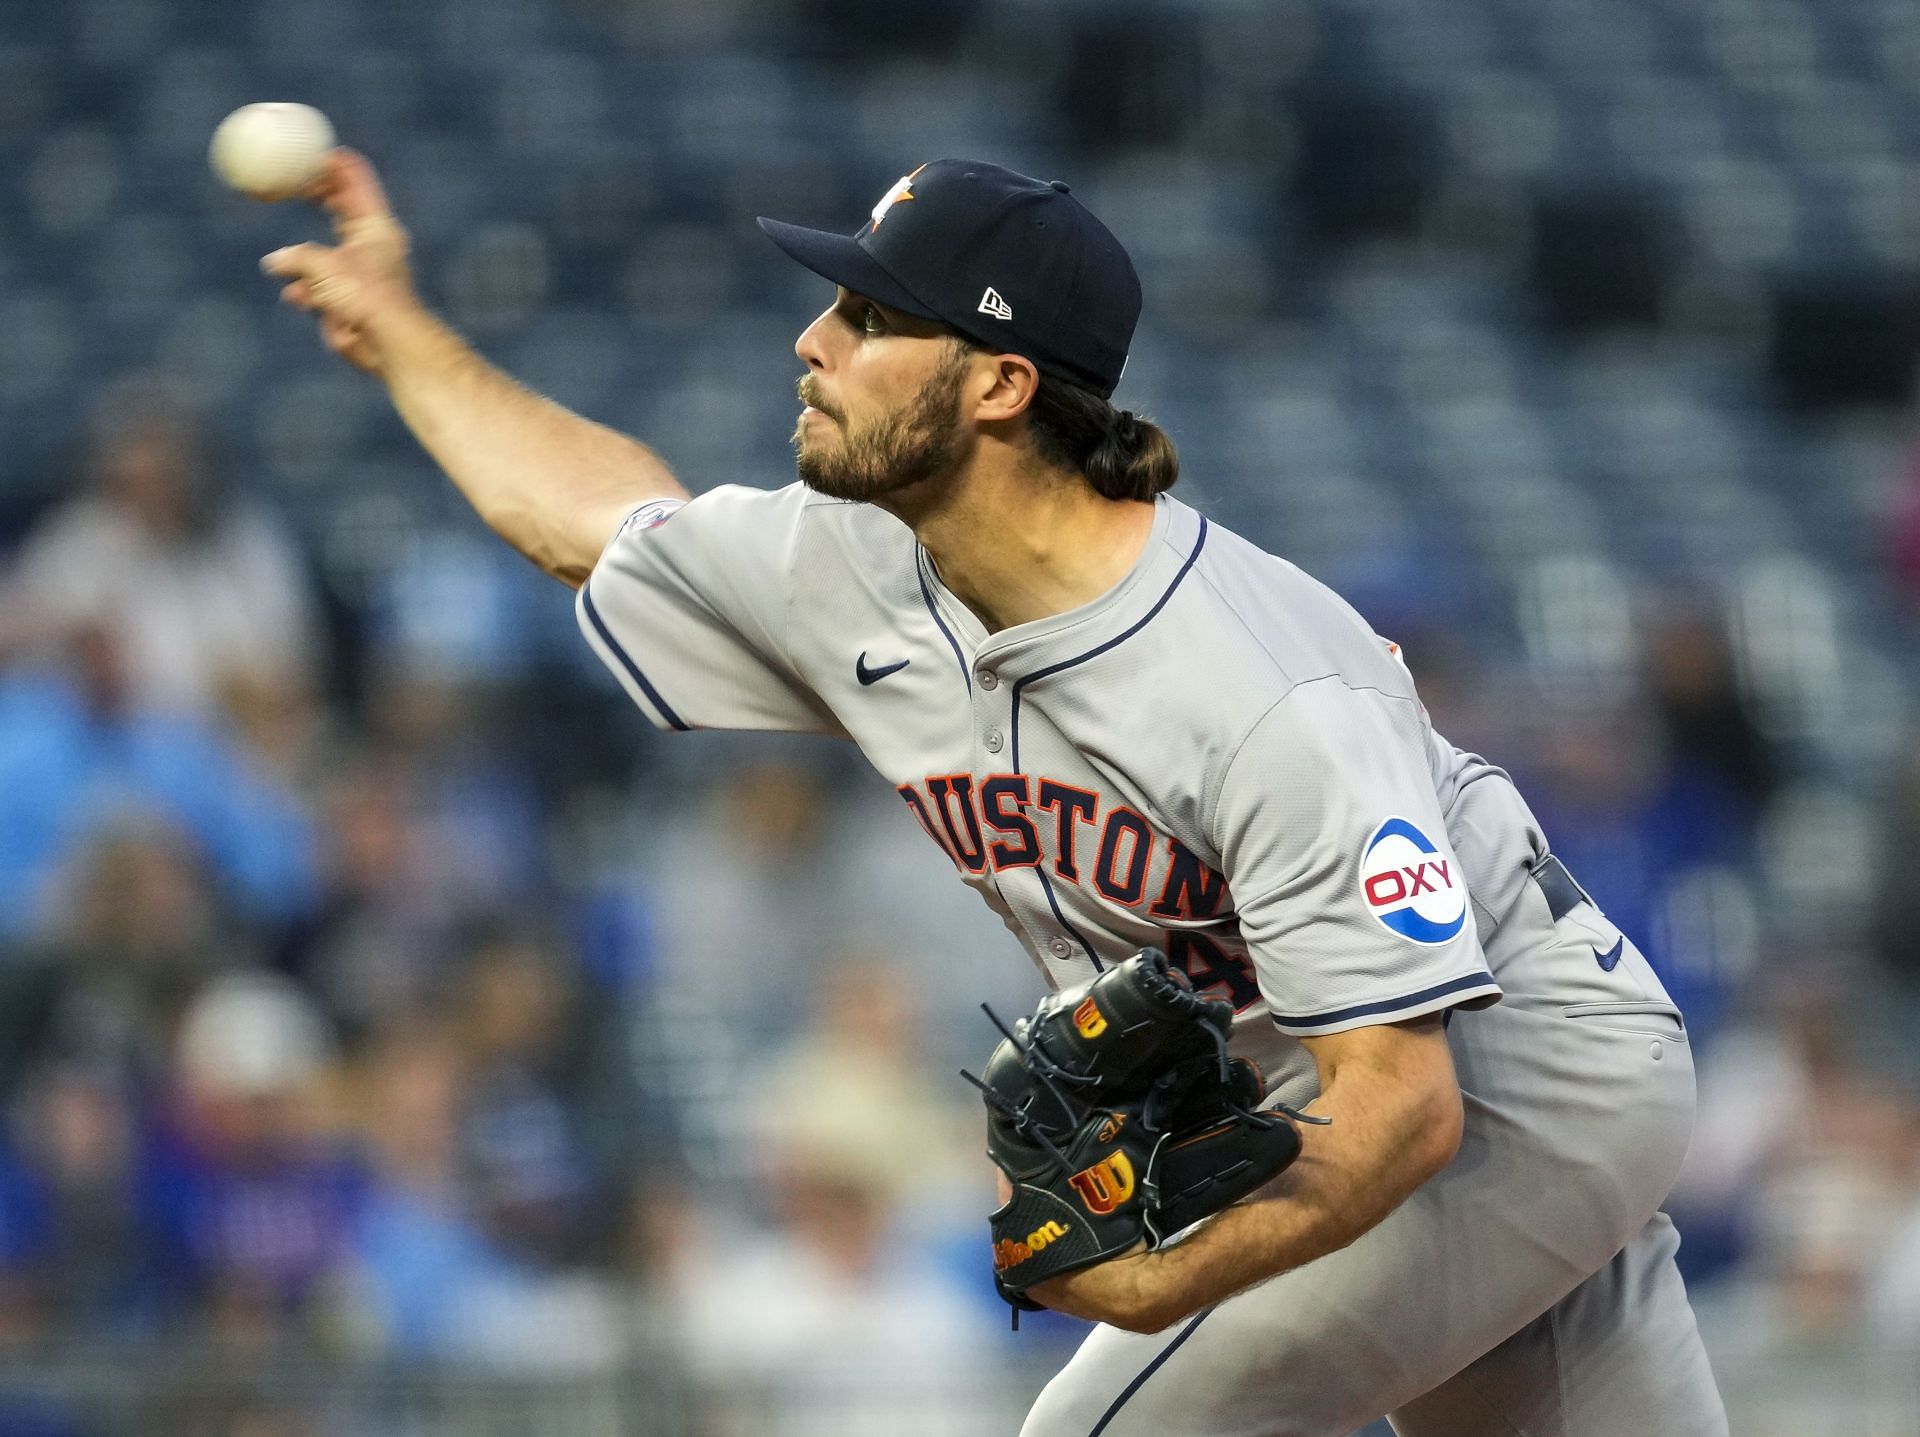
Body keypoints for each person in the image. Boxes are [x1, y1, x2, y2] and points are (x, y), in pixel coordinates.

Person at [259, 150, 1729, 1436]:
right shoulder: (863, 562)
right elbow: (595, 528)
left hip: (1511, 1076)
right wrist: (397, 333)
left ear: (1001, 383)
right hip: (1337, 1097)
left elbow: (1406, 1111)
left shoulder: (1263, 690)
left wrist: (1161, 1277)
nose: (811, 340)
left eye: (869, 319)